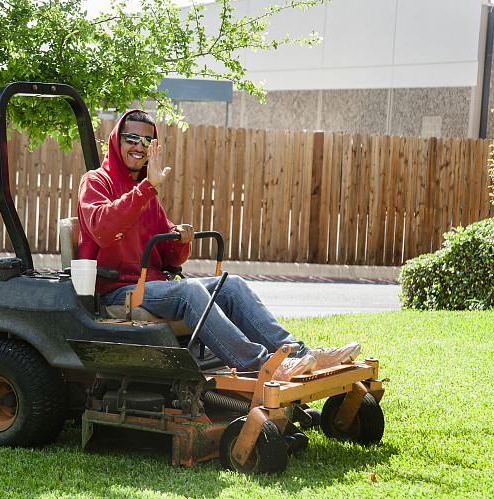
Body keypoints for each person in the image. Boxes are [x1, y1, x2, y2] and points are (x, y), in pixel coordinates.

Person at [77, 109, 360, 381]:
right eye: (131, 138)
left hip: (150, 286)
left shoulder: (145, 192)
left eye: (147, 140)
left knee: (231, 284)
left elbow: (169, 257)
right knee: (190, 292)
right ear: (117, 139)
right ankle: (260, 365)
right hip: (115, 291)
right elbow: (104, 229)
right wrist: (147, 188)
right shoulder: (96, 182)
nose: (139, 146)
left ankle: (301, 354)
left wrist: (179, 238)